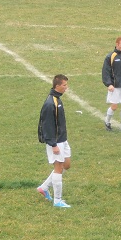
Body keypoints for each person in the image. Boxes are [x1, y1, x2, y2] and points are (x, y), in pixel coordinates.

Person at [37, 74, 72, 208]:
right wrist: (53, 144)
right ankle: (57, 200)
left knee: (66, 165)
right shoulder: (50, 103)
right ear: (57, 86)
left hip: (62, 139)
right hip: (56, 142)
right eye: (64, 85)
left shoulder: (57, 99)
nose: (66, 87)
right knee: (58, 168)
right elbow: (47, 126)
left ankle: (44, 187)